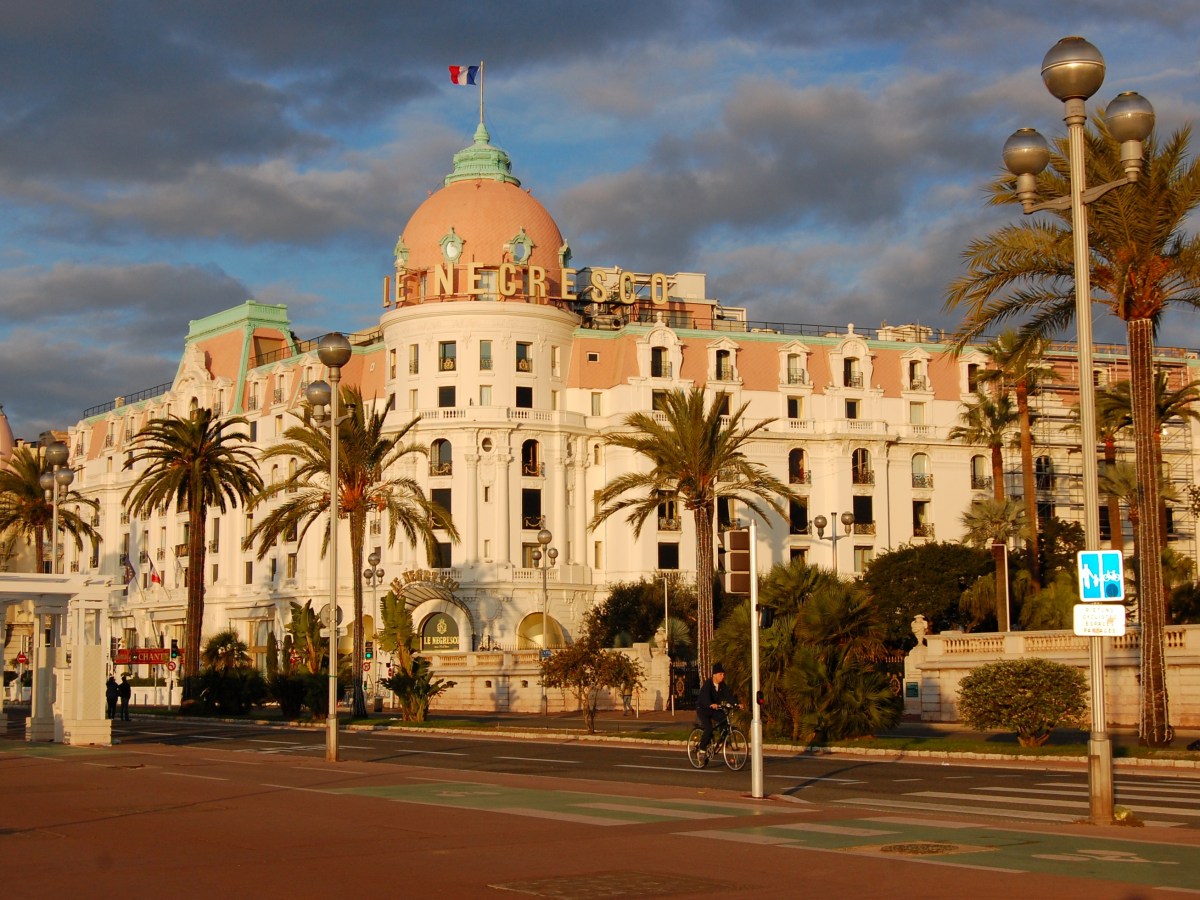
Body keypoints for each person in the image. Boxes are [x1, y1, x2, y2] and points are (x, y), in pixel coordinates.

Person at [695, 662, 737, 756]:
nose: (723, 676)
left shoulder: (722, 685)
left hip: (714, 709)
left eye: (723, 674)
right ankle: (702, 748)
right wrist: (710, 704)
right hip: (703, 709)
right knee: (709, 728)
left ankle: (723, 740)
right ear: (714, 675)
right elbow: (705, 697)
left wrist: (736, 704)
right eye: (720, 674)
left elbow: (728, 695)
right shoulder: (708, 684)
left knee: (723, 719)